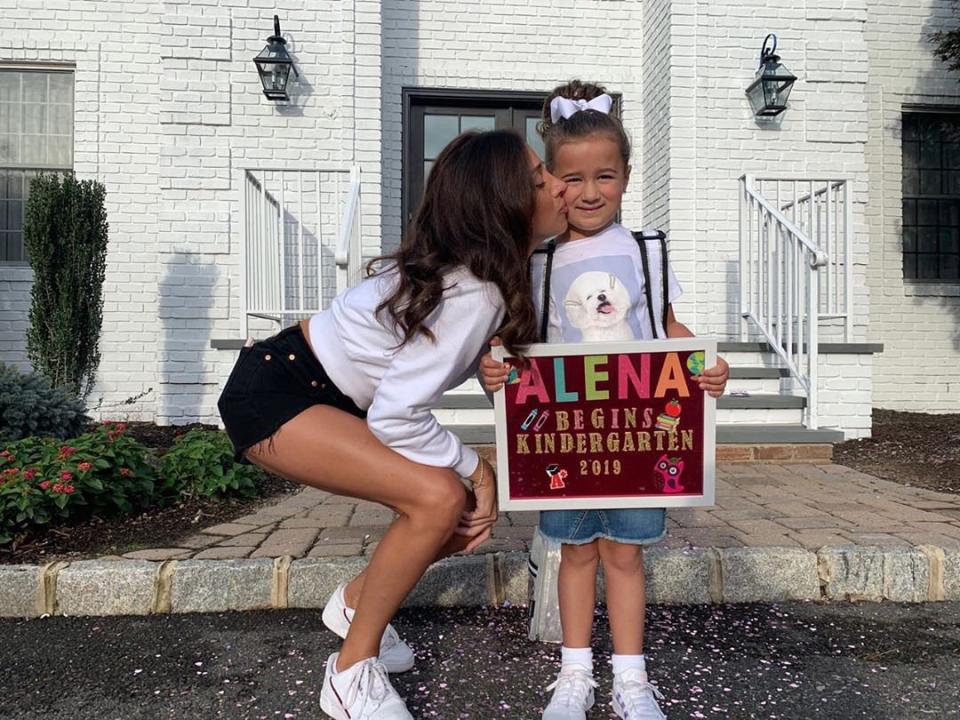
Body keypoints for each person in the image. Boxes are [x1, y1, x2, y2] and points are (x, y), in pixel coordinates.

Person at [218, 129, 568, 720]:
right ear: (503, 203)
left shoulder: (489, 279)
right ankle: (351, 672)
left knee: (451, 513)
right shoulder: (475, 291)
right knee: (439, 498)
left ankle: (357, 606)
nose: (559, 187)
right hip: (276, 392)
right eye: (540, 180)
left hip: (319, 389)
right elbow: (398, 413)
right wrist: (474, 465)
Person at [480, 81, 729, 720]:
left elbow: (670, 330)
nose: (589, 192)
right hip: (564, 441)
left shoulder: (646, 250)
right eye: (573, 178)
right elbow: (519, 344)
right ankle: (574, 673)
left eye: (606, 176)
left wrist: (705, 366)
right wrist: (496, 373)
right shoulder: (535, 258)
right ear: (550, 181)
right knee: (575, 552)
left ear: (624, 177)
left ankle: (632, 677)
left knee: (623, 553)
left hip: (635, 438)